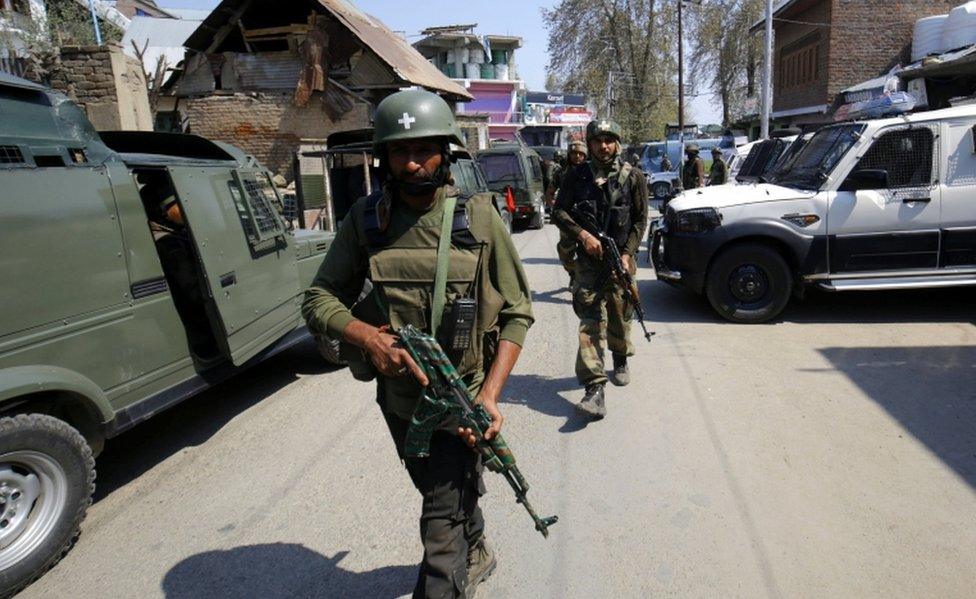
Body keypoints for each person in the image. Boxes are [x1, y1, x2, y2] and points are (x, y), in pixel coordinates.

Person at [302, 89, 534, 598]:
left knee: (438, 534)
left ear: (445, 152)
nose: (412, 163)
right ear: (383, 156)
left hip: (462, 399)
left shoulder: (478, 218)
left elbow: (518, 312)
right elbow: (318, 298)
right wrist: (368, 338)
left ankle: (454, 564)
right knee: (437, 493)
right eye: (400, 151)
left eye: (424, 149)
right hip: (401, 405)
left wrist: (490, 396)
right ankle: (477, 547)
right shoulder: (366, 222)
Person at [551, 119, 648, 419]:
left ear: (617, 143)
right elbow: (558, 212)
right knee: (590, 321)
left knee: (620, 313)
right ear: (589, 144)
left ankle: (620, 357)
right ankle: (595, 388)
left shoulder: (634, 177)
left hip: (620, 260)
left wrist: (630, 253)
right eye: (597, 141)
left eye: (609, 140)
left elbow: (639, 220)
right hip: (589, 264)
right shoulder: (576, 177)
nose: (603, 146)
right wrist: (582, 235)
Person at [553, 140, 589, 282]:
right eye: (574, 153)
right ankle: (573, 274)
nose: (577, 156)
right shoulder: (562, 172)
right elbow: (551, 190)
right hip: (567, 219)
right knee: (565, 253)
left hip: (587, 219)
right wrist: (554, 206)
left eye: (581, 154)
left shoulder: (592, 171)